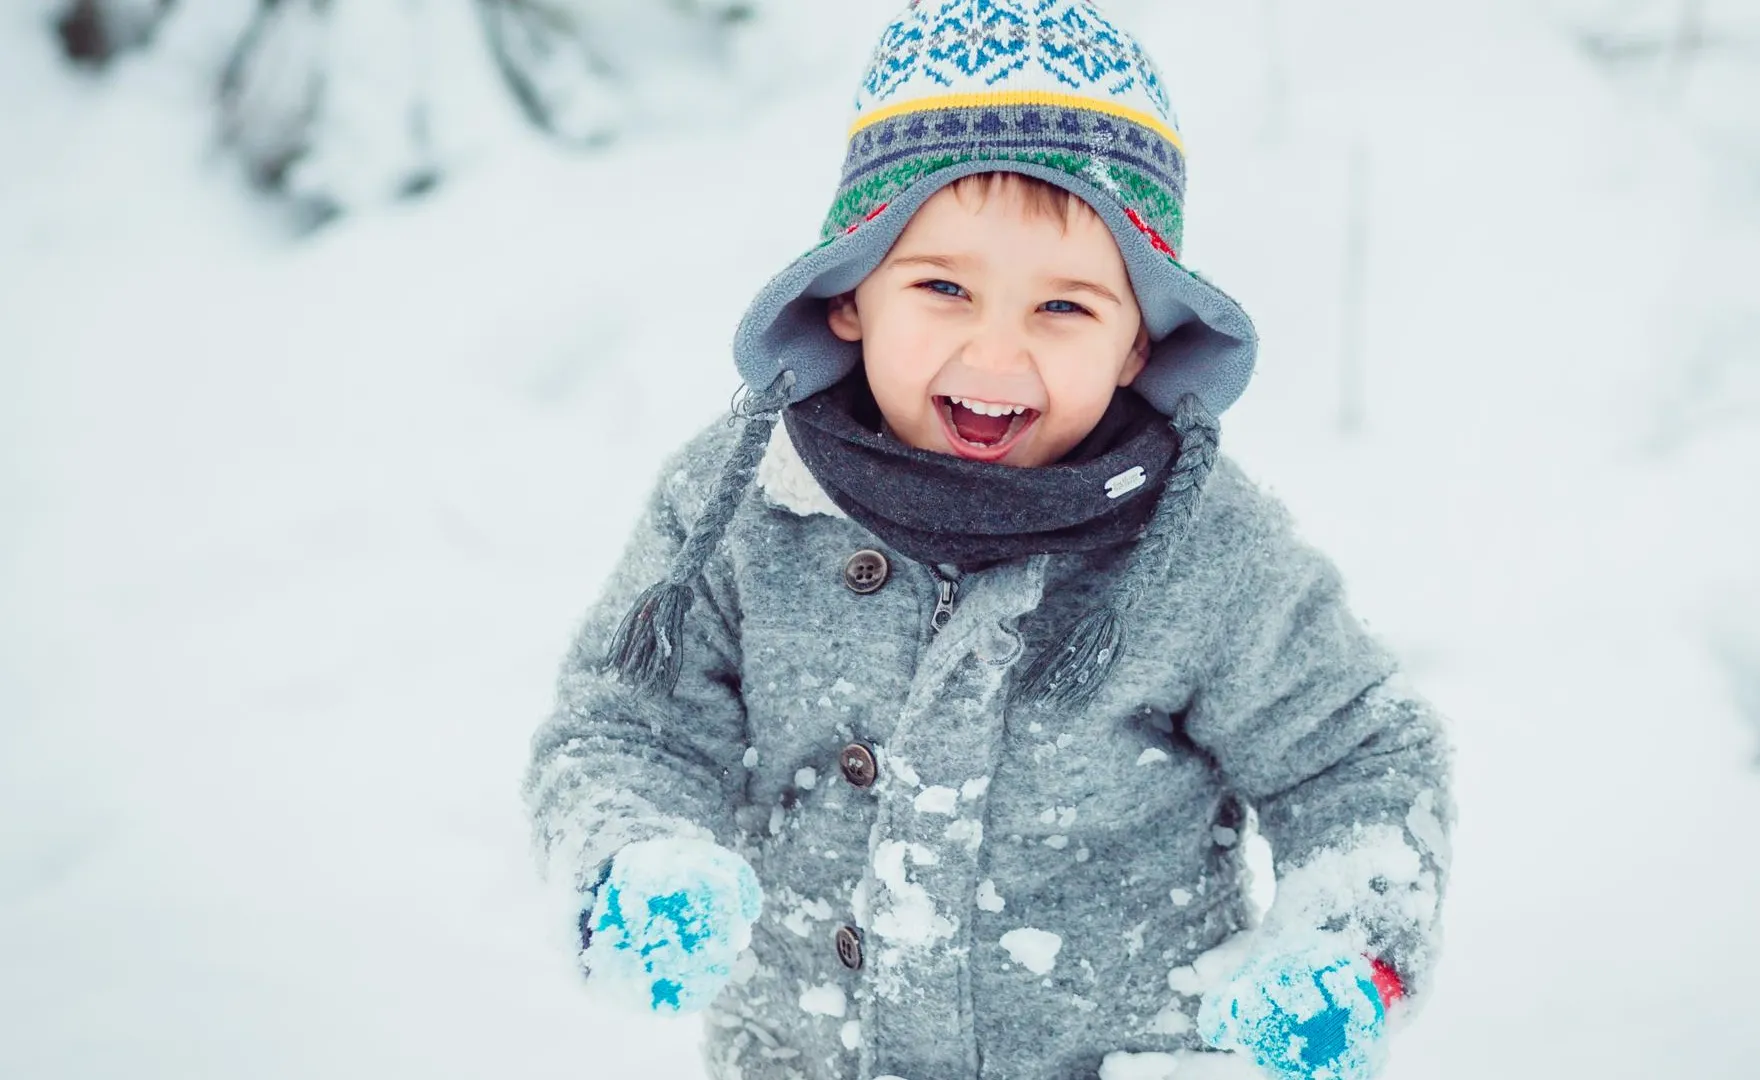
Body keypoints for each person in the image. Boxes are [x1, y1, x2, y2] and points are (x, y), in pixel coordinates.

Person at [523, 4, 1454, 1078]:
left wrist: (1348, 952)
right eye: (943, 287)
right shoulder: (744, 506)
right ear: (849, 297)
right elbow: (626, 725)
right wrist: (628, 857)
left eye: (1064, 305)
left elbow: (1358, 756)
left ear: (1137, 341)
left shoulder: (1197, 547)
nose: (996, 348)